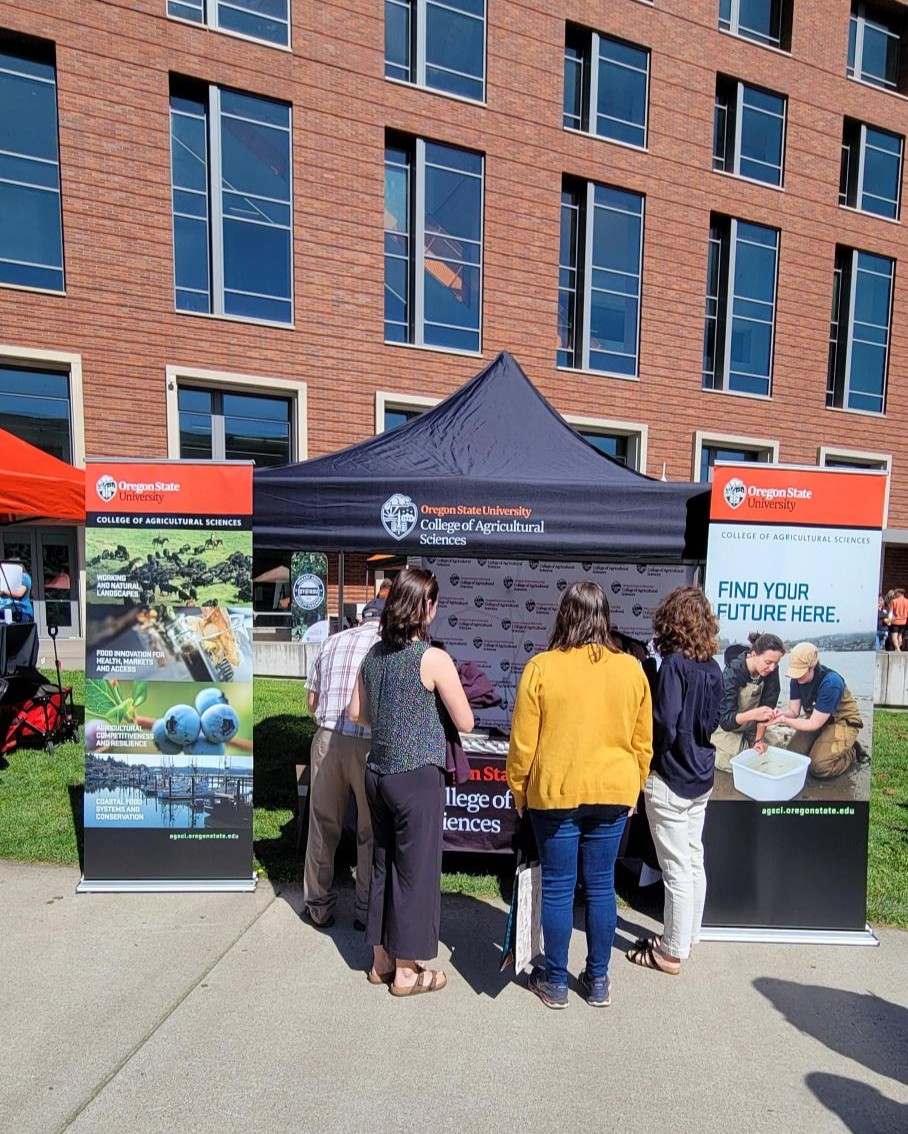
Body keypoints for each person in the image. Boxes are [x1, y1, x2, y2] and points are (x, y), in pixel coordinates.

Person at [506, 581, 653, 1009]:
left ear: (564, 616)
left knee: (557, 888)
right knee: (602, 886)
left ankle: (554, 982)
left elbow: (522, 744)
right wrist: (635, 786)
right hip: (613, 790)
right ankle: (599, 979)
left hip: (555, 792)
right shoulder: (631, 669)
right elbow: (644, 740)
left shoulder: (542, 667)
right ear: (605, 618)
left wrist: (519, 790)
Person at [350, 567, 473, 997]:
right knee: (415, 874)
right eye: (433, 602)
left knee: (383, 866)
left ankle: (381, 960)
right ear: (425, 607)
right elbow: (466, 719)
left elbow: (356, 715)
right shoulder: (433, 658)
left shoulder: (373, 656)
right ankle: (408, 971)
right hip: (417, 776)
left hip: (378, 773)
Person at [628, 587, 723, 976]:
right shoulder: (713, 668)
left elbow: (664, 721)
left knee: (676, 868)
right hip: (702, 774)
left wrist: (650, 760)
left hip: (670, 775)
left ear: (671, 620)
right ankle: (687, 937)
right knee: (693, 857)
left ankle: (670, 952)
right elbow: (713, 722)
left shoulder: (673, 665)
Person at [302, 607, 382, 930]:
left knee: (322, 825)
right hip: (369, 742)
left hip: (327, 739)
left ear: (361, 617)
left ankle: (318, 906)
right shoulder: (387, 645)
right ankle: (365, 911)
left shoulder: (331, 642)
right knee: (370, 830)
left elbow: (311, 702)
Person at [777, 643, 866, 779]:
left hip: (841, 721)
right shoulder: (796, 680)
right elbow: (793, 712)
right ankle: (824, 745)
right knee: (793, 757)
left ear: (813, 666)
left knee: (818, 768)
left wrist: (784, 721)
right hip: (818, 719)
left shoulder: (831, 683)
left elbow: (814, 724)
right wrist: (778, 714)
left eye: (801, 673)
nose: (797, 678)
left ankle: (852, 752)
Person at [711, 632, 785, 771]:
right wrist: (753, 714)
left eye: (776, 663)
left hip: (751, 725)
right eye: (768, 662)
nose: (772, 668)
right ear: (754, 654)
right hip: (725, 726)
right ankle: (712, 750)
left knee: (771, 751)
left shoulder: (771, 670)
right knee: (744, 759)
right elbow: (726, 720)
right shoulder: (732, 673)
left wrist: (758, 740)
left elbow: (767, 708)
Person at [0, 558, 34, 623]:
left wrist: (3, 592)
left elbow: (19, 593)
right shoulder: (6, 579)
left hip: (20, 610)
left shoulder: (24, 577)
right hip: (5, 610)